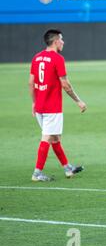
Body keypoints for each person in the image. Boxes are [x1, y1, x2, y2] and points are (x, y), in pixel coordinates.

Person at [29, 29, 86, 182]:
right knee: (47, 137)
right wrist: (78, 101)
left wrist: (34, 102)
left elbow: (31, 82)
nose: (63, 42)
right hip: (51, 107)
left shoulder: (37, 58)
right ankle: (37, 172)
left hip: (40, 105)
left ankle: (68, 168)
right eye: (61, 39)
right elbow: (66, 85)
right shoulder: (57, 58)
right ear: (55, 41)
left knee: (55, 138)